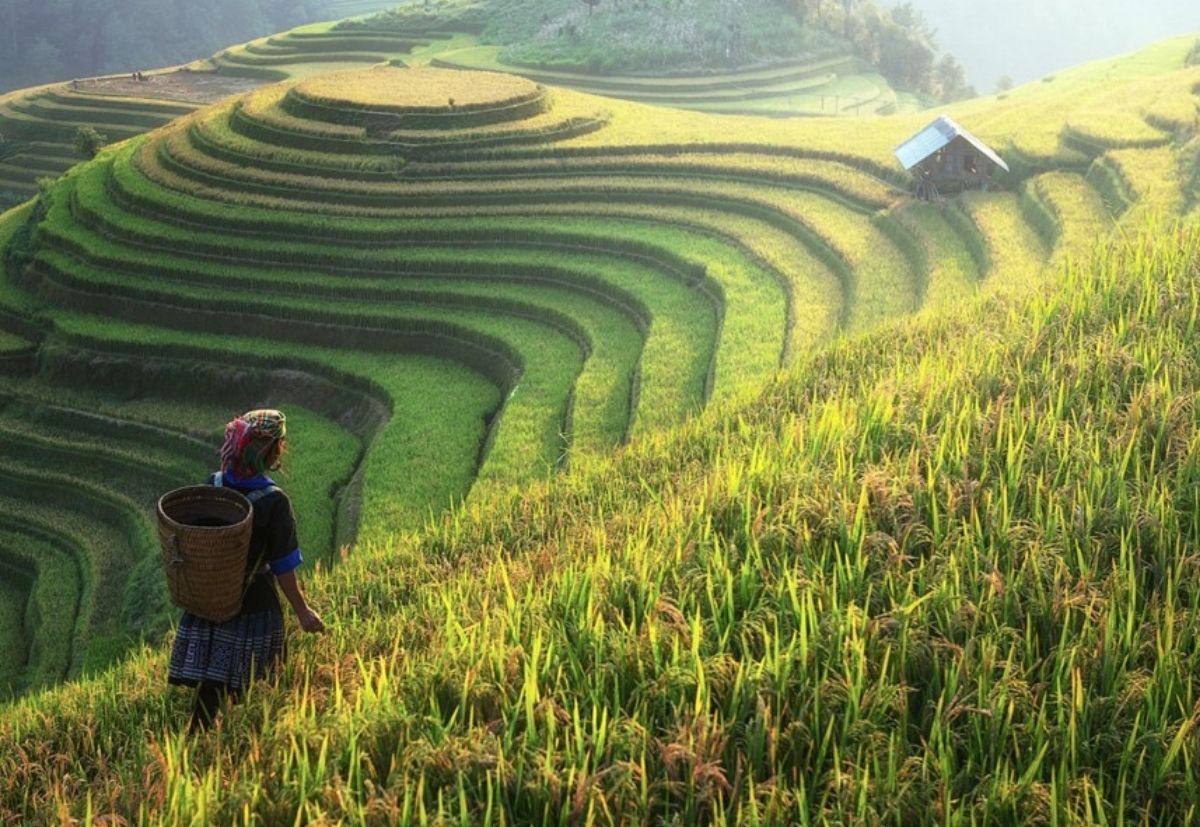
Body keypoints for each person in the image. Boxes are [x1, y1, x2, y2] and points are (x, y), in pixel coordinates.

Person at [168, 408, 324, 731]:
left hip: (210, 601)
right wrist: (303, 611)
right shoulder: (273, 502)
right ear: (271, 451)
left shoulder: (212, 486)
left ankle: (199, 744)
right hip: (253, 605)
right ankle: (249, 743)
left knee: (212, 686)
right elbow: (283, 568)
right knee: (262, 681)